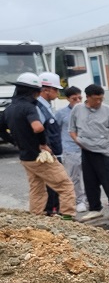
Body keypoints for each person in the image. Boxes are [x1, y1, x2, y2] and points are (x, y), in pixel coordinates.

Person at [0, 73, 76, 220]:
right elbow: (38, 127)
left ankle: (36, 217)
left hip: (25, 156)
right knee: (65, 185)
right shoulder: (29, 107)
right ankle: (68, 218)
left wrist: (15, 142)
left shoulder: (9, 109)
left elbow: (1, 129)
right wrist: (43, 144)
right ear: (33, 91)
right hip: (41, 156)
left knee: (37, 188)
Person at [70, 84, 109, 221]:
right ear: (87, 97)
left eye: (101, 99)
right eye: (96, 99)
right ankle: (95, 209)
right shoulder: (77, 109)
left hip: (104, 152)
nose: (99, 102)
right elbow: (72, 129)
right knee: (90, 182)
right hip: (86, 151)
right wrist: (77, 140)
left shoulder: (108, 110)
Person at [55, 86, 87, 212]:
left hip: (87, 148)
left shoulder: (87, 111)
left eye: (80, 98)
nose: (78, 101)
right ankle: (79, 201)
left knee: (89, 176)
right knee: (75, 177)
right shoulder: (61, 113)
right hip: (70, 149)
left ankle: (90, 199)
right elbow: (55, 130)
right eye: (74, 99)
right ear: (68, 99)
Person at [36, 72, 64, 215]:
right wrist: (44, 147)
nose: (57, 93)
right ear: (46, 90)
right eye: (56, 89)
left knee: (56, 186)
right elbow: (38, 130)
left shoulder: (46, 107)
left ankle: (55, 211)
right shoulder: (38, 108)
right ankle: (50, 212)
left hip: (55, 153)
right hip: (48, 154)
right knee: (53, 185)